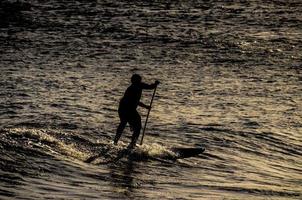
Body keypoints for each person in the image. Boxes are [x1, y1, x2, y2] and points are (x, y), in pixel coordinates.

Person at [113, 74, 160, 148]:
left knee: (137, 126)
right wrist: (146, 106)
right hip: (124, 109)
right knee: (124, 123)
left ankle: (132, 143)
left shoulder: (140, 85)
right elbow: (134, 101)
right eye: (137, 81)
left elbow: (149, 87)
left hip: (131, 110)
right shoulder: (131, 89)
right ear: (133, 81)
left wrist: (155, 84)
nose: (139, 83)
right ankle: (116, 142)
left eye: (139, 81)